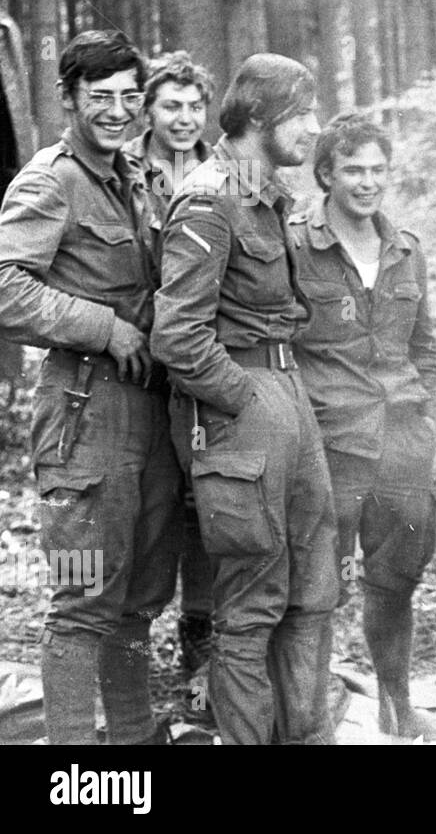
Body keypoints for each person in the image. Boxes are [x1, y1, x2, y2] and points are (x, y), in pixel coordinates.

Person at [0, 30, 181, 744]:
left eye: (128, 97)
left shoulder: (137, 178)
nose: (116, 110)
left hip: (149, 413)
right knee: (81, 599)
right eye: (98, 97)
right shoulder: (50, 180)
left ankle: (132, 747)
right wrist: (101, 326)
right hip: (83, 418)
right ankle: (72, 765)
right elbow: (4, 285)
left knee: (137, 598)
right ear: (69, 98)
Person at [151, 53, 337, 745]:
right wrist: (247, 401)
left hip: (289, 397)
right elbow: (178, 335)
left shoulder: (269, 195)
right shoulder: (208, 198)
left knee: (313, 593)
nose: (314, 130)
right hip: (245, 408)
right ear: (260, 118)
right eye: (303, 115)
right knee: (253, 604)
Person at [288, 113, 436, 738]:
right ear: (325, 173)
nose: (367, 182)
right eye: (353, 170)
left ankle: (395, 704)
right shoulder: (294, 244)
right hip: (329, 444)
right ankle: (309, 720)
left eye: (378, 170)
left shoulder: (405, 248)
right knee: (316, 589)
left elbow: (425, 344)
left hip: (403, 442)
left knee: (396, 581)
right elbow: (279, 341)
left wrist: (430, 412)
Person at [124, 50, 218, 685]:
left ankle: (200, 634)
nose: (184, 119)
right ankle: (128, 643)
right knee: (142, 503)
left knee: (204, 500)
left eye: (195, 107)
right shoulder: (120, 168)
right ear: (148, 109)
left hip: (201, 357)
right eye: (171, 106)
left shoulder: (225, 172)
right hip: (132, 361)